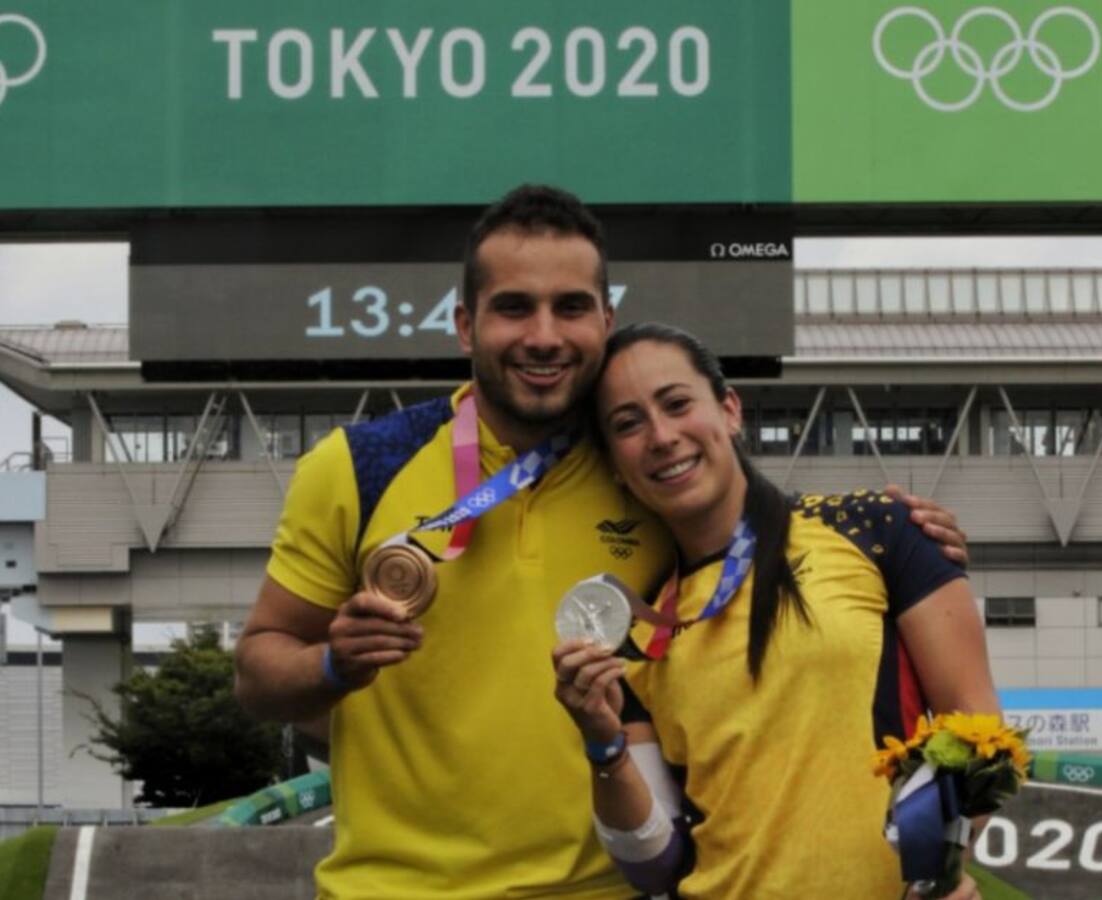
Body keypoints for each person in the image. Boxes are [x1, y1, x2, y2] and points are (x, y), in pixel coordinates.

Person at [234, 185, 970, 899]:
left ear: (605, 318)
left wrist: (900, 536)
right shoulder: (358, 466)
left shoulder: (644, 472)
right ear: (465, 325)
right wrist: (333, 663)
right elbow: (258, 671)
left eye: (571, 307)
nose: (544, 336)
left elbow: (752, 526)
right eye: (513, 307)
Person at [551, 322, 999, 899]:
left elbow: (980, 728)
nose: (661, 436)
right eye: (627, 424)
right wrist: (603, 743)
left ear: (729, 409)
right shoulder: (636, 633)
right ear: (615, 462)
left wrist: (941, 867)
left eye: (677, 403)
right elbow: (655, 864)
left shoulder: (876, 529)